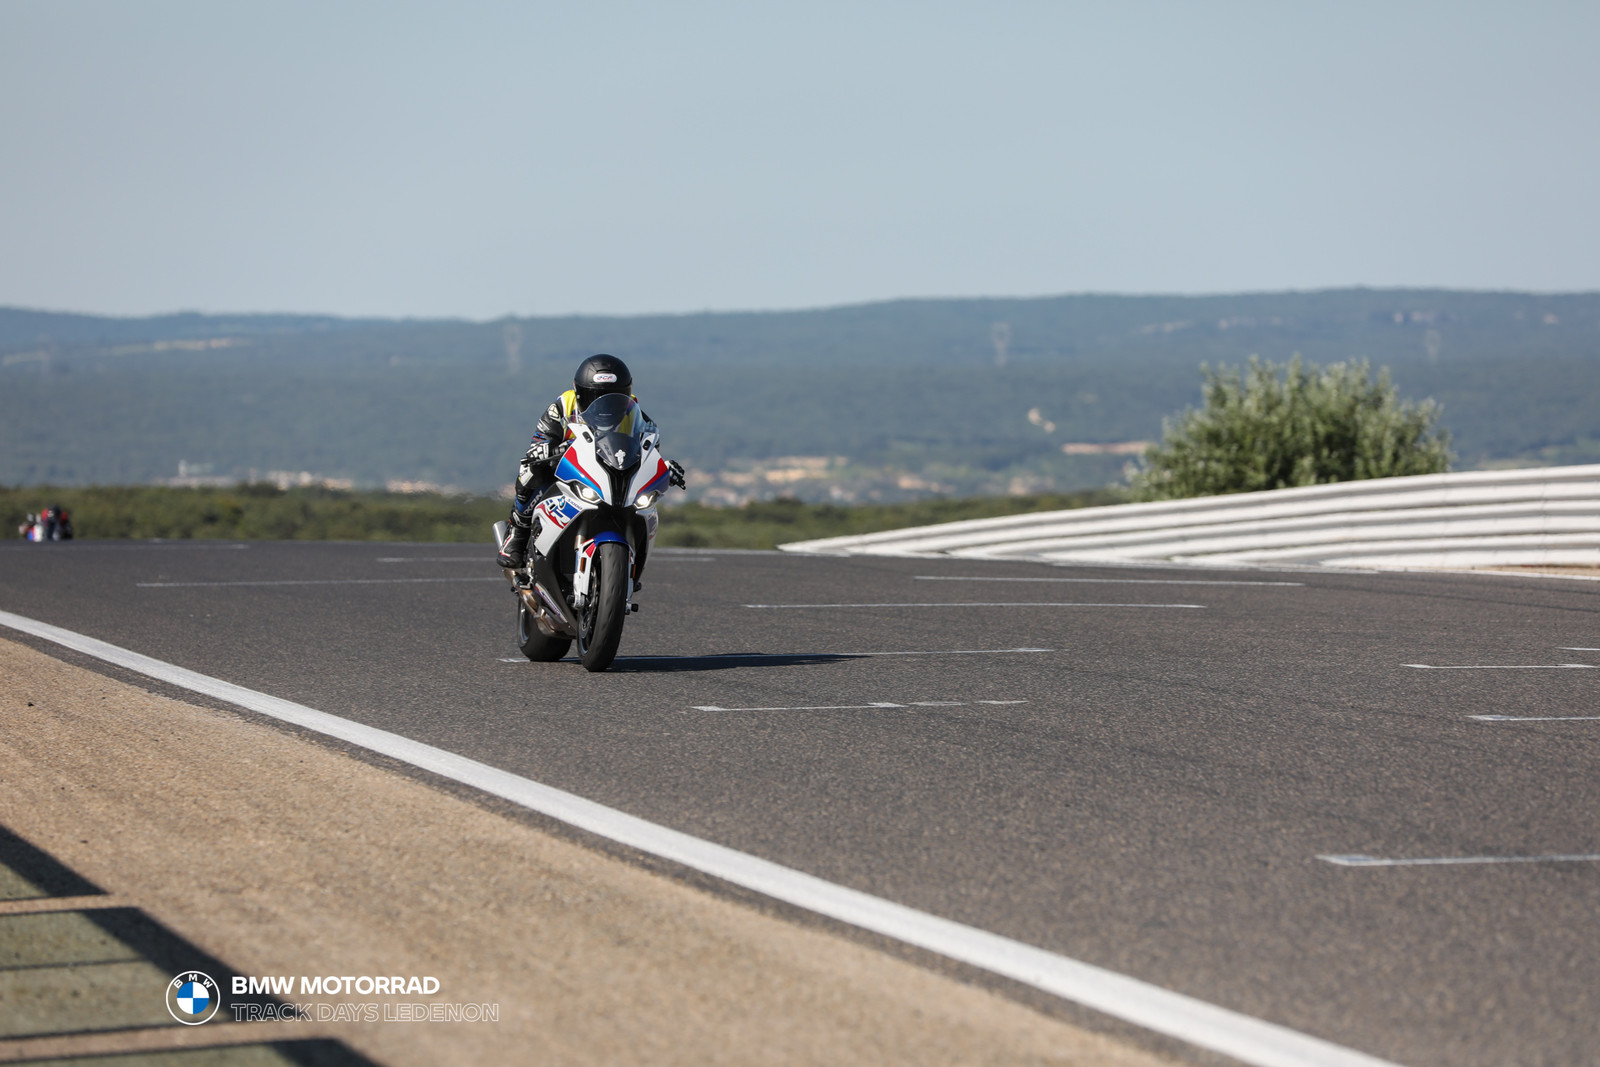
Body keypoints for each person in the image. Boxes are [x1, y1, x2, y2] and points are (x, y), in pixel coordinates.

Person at [496, 354, 684, 569]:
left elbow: (649, 449)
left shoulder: (635, 414)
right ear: (579, 393)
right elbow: (538, 443)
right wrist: (546, 450)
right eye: (594, 397)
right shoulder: (562, 407)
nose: (603, 407)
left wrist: (664, 467)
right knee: (530, 470)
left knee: (643, 504)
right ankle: (517, 535)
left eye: (614, 398)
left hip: (611, 474)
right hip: (567, 470)